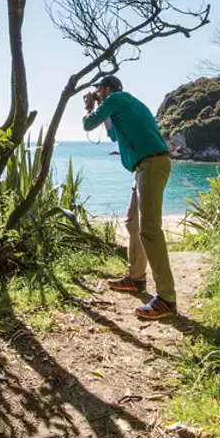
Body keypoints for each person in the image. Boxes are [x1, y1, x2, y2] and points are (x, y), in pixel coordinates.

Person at [81, 75, 177, 320]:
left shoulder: (116, 98)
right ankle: (136, 278)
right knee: (133, 223)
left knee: (149, 230)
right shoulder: (122, 104)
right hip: (145, 166)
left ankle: (166, 299)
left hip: (151, 164)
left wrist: (90, 106)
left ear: (107, 88)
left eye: (98, 89)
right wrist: (104, 111)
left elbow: (88, 124)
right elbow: (113, 136)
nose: (97, 93)